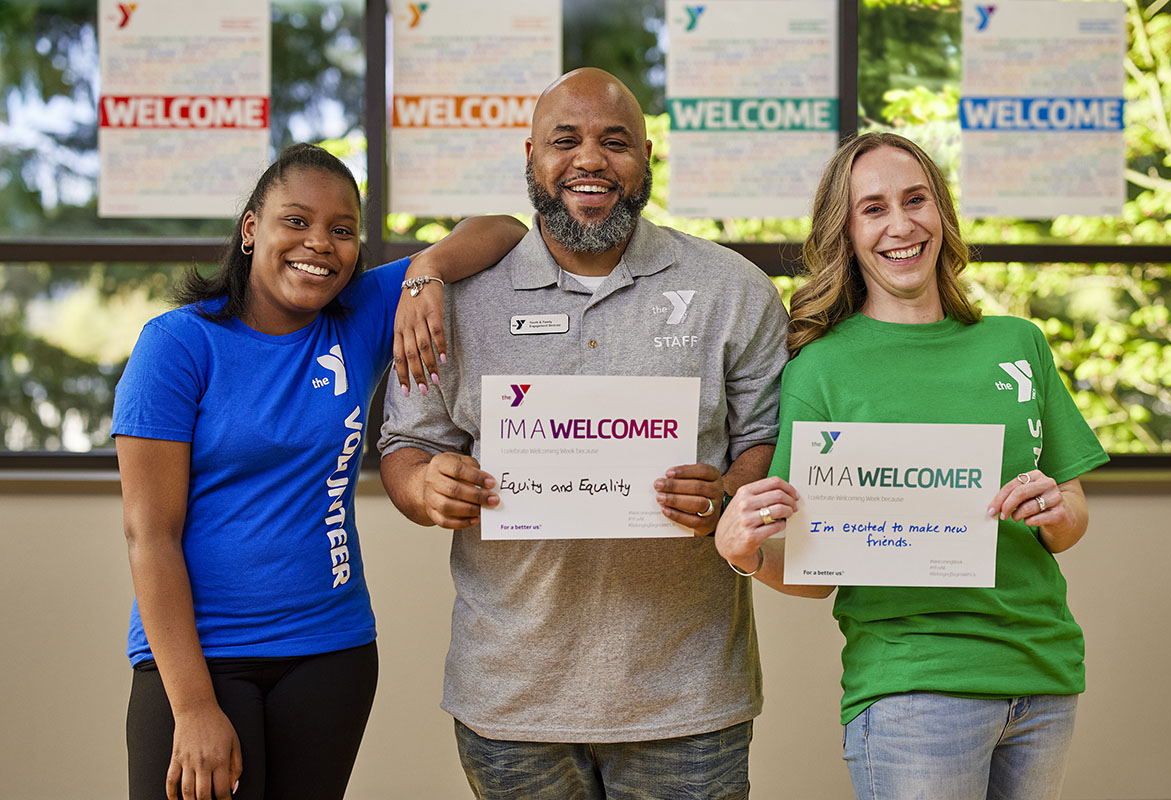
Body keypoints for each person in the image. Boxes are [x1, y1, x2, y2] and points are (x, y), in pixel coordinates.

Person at [377, 68, 788, 799]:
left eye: (615, 142)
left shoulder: (734, 290)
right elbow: (407, 446)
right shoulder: (455, 298)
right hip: (511, 698)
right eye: (565, 141)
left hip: (686, 699)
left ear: (647, 159)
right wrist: (424, 485)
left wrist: (726, 491)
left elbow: (764, 439)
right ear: (530, 158)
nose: (590, 160)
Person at [113, 142, 525, 800]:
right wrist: (191, 709)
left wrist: (425, 272)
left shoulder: (357, 318)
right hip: (200, 661)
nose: (320, 244)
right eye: (296, 221)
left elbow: (503, 230)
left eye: (342, 230)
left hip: (330, 652)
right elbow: (150, 537)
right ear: (252, 230)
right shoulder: (178, 345)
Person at [714, 132, 1110, 800]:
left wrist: (1057, 508)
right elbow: (817, 576)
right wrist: (742, 553)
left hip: (1044, 677)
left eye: (916, 200)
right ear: (846, 234)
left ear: (942, 214)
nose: (901, 225)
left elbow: (1068, 522)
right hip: (912, 689)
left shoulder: (1019, 344)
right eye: (873, 209)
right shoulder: (821, 371)